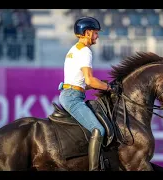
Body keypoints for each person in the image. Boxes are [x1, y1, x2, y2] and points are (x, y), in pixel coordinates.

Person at [58, 16, 118, 171]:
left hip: (70, 93)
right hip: (73, 98)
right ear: (87, 32)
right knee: (99, 130)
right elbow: (90, 81)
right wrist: (109, 87)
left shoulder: (74, 49)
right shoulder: (85, 51)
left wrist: (104, 85)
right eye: (95, 33)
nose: (97, 36)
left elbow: (83, 83)